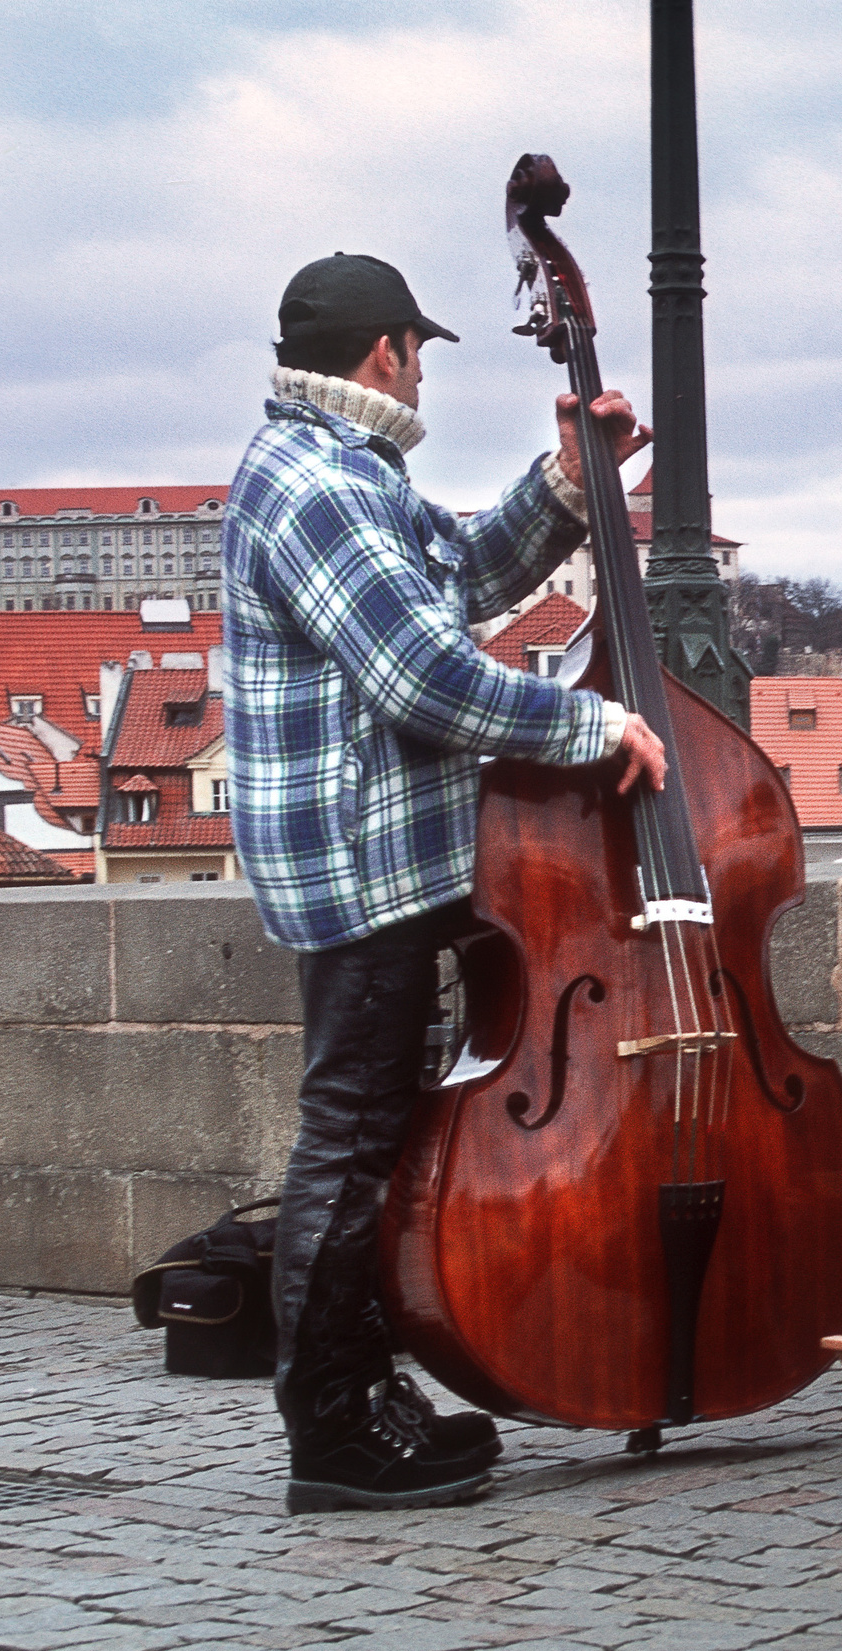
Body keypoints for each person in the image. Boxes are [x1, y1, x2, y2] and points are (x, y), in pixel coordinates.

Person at [223, 253, 668, 1515]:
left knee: (370, 1136)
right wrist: (588, 730)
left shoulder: (349, 471)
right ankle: (333, 1432)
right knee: (351, 1141)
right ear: (387, 355)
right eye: (418, 351)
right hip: (357, 864)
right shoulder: (314, 484)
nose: (422, 372)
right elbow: (422, 674)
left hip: (373, 856)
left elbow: (460, 577)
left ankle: (375, 1398)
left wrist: (564, 486)